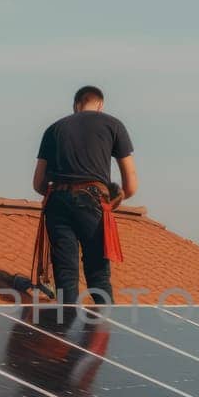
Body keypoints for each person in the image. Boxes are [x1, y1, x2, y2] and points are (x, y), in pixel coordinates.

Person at [32, 86, 139, 305]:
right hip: (92, 200)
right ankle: (105, 331)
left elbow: (38, 183)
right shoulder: (113, 125)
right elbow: (131, 184)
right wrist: (114, 200)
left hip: (57, 203)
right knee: (98, 274)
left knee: (65, 277)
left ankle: (63, 335)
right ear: (100, 105)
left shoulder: (54, 129)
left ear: (75, 106)